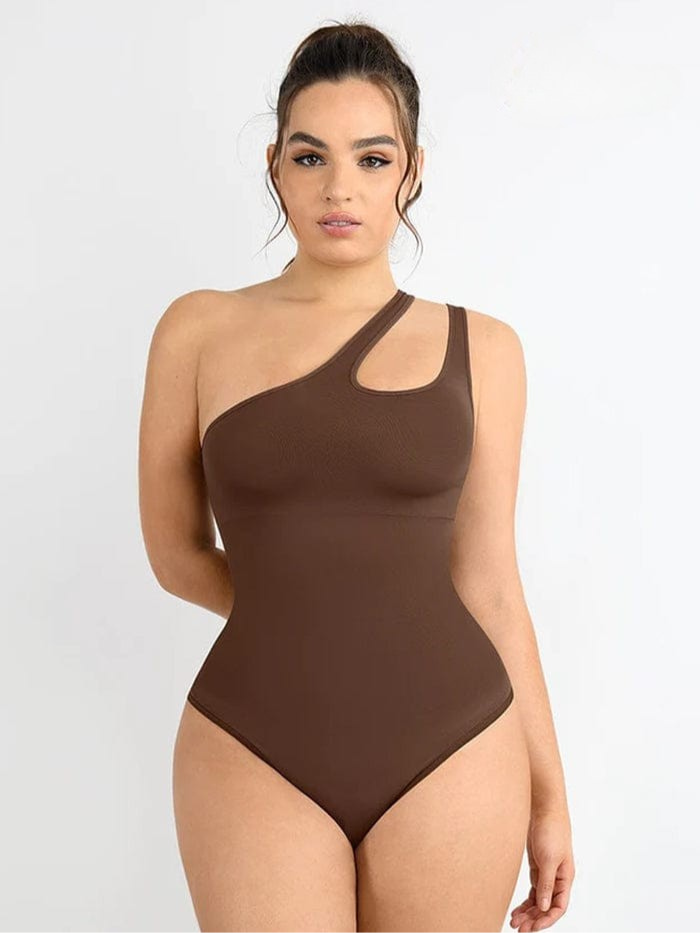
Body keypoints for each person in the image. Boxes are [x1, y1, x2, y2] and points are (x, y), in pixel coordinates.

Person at [138, 20, 574, 933]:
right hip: (253, 740)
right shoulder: (198, 331)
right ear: (275, 167)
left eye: (372, 159)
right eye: (311, 157)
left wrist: (549, 793)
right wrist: (317, 612)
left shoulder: (485, 350)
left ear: (411, 172)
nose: (340, 187)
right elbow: (176, 555)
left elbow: (492, 582)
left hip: (455, 743)